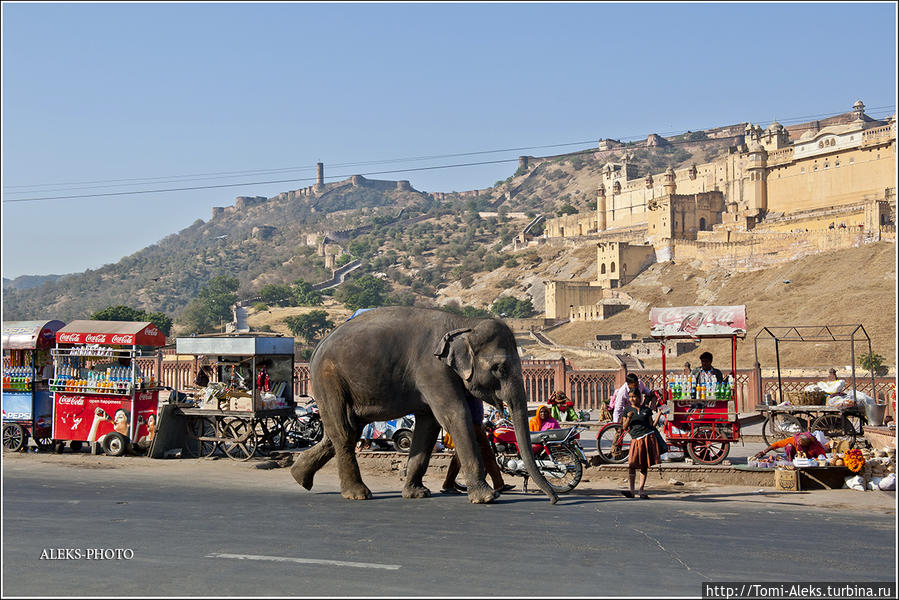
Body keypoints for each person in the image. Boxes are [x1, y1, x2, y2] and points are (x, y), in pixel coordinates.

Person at [442, 398, 514, 495]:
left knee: (480, 455)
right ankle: (498, 484)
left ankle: (498, 484)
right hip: (469, 425)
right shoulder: (467, 392)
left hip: (476, 424)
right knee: (485, 454)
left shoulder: (475, 395)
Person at [621, 389, 662, 499]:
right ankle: (631, 491)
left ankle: (641, 490)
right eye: (630, 397)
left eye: (634, 397)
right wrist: (629, 417)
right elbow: (624, 427)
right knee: (632, 465)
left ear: (640, 397)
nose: (632, 399)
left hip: (647, 438)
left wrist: (658, 414)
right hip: (635, 440)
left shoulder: (646, 410)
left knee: (644, 466)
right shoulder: (627, 410)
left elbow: (652, 425)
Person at [753, 431, 827, 461]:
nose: (798, 442)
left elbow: (823, 457)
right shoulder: (794, 440)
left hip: (809, 460)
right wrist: (763, 452)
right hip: (795, 457)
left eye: (801, 443)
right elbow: (777, 444)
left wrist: (816, 460)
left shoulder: (815, 445)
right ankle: (790, 461)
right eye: (798, 441)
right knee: (789, 446)